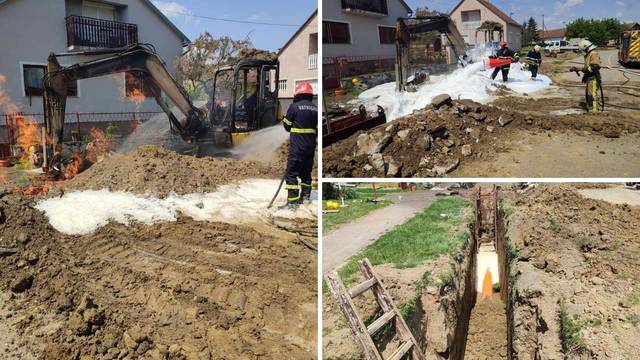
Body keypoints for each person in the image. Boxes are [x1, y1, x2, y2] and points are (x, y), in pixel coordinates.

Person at [282, 82, 317, 208]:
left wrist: (283, 119)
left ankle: (292, 202)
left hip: (297, 148)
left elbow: (287, 126)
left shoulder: (294, 107)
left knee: (291, 173)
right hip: (310, 148)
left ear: (298, 94)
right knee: (306, 173)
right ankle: (306, 197)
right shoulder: (315, 108)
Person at [570, 39, 602, 112]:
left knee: (592, 96)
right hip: (590, 78)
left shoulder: (593, 54)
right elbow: (588, 67)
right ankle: (590, 108)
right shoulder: (589, 54)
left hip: (593, 78)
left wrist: (581, 69)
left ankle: (594, 112)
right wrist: (585, 76)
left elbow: (595, 67)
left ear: (585, 47)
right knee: (588, 95)